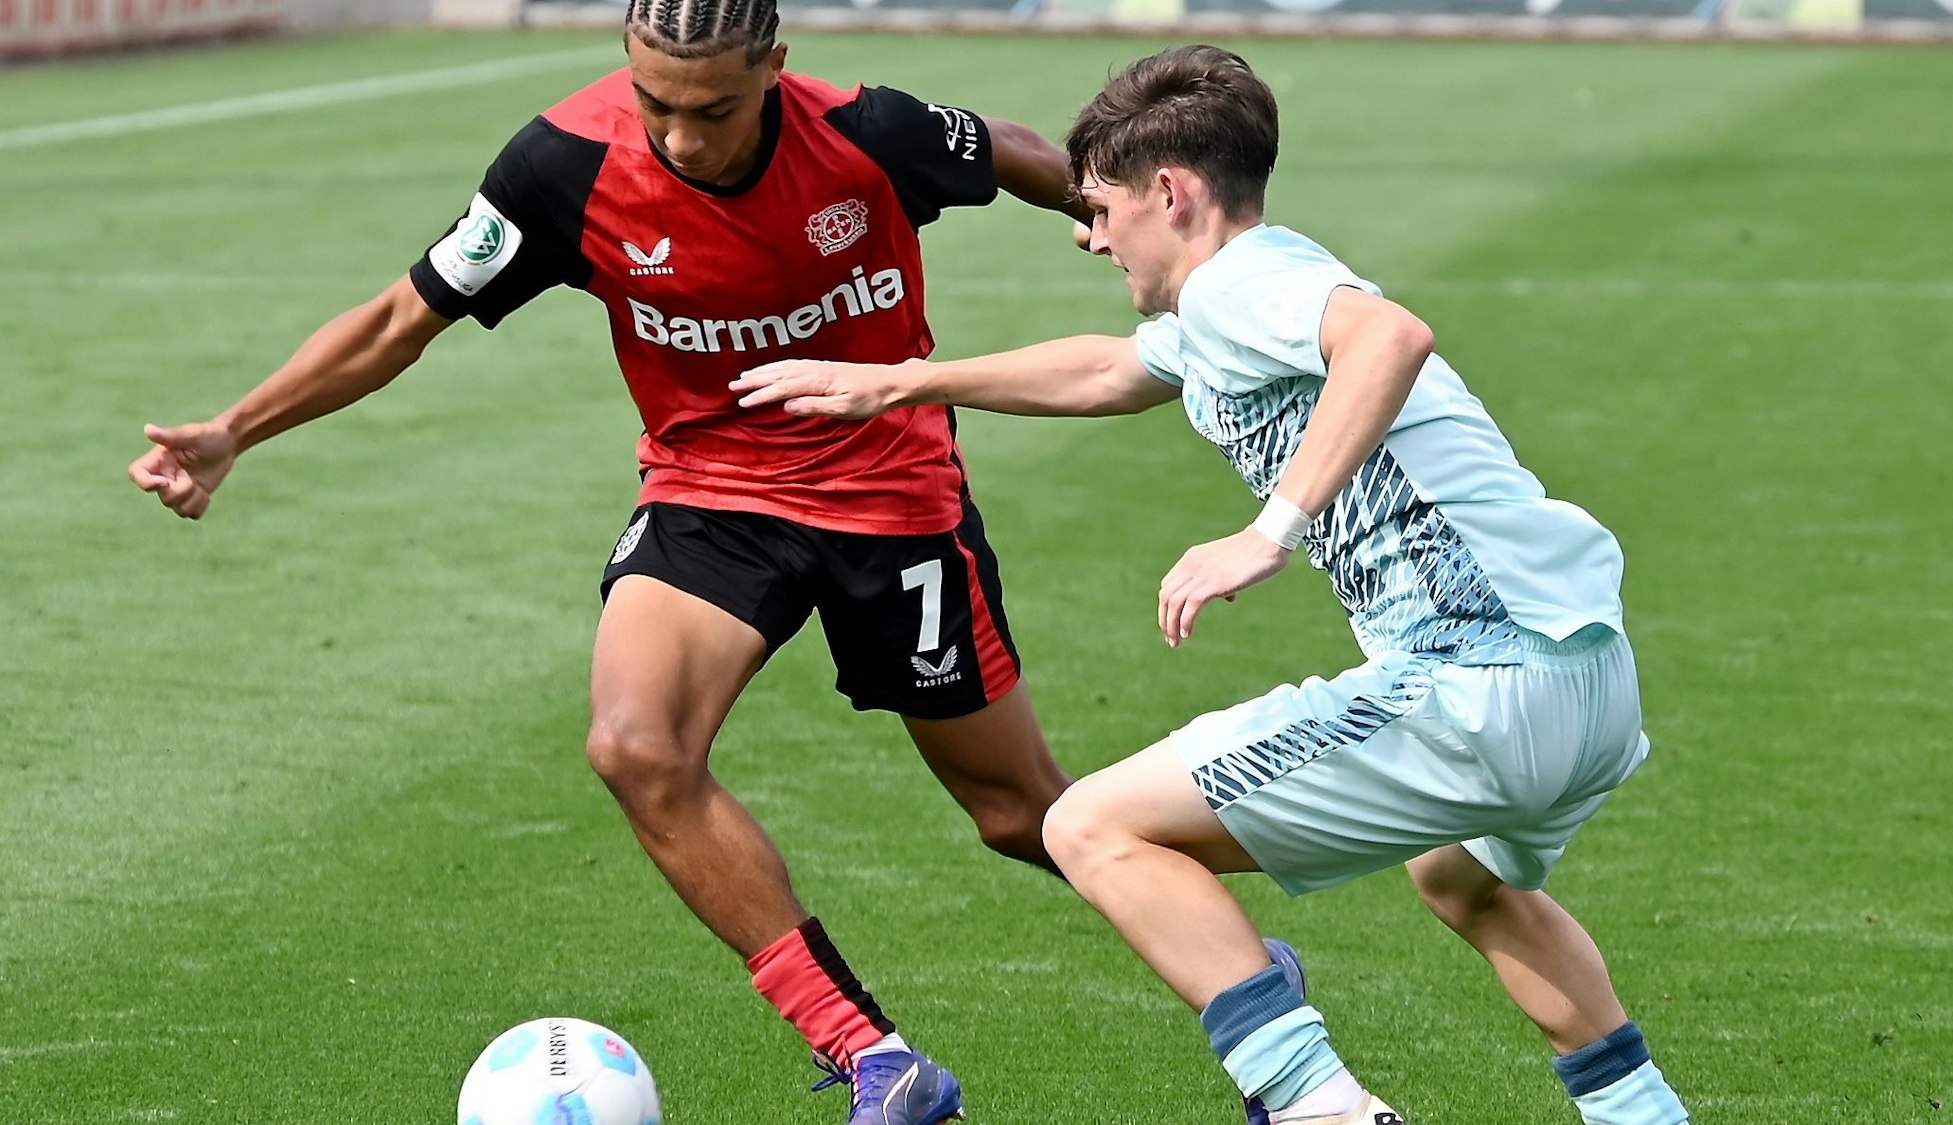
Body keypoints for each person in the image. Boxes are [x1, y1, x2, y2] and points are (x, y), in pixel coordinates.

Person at [127, 4, 1091, 1122]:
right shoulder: (562, 166)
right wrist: (235, 430)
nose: (680, 138)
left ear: (775, 70)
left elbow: (1007, 146)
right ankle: (875, 1057)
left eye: (714, 109)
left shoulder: (866, 132)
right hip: (709, 493)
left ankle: (1220, 927)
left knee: (1018, 814)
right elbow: (402, 318)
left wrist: (1092, 204)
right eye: (656, 103)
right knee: (635, 746)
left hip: (890, 494)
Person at [732, 43, 1694, 1125]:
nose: (1089, 235)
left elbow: (1390, 337)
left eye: (1096, 209)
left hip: (1482, 683)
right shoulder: (1231, 302)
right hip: (1586, 684)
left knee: (1093, 827)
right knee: (1463, 879)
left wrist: (1267, 531)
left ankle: (1314, 1105)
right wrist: (901, 380)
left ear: (1171, 194)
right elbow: (1107, 368)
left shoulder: (1244, 284)